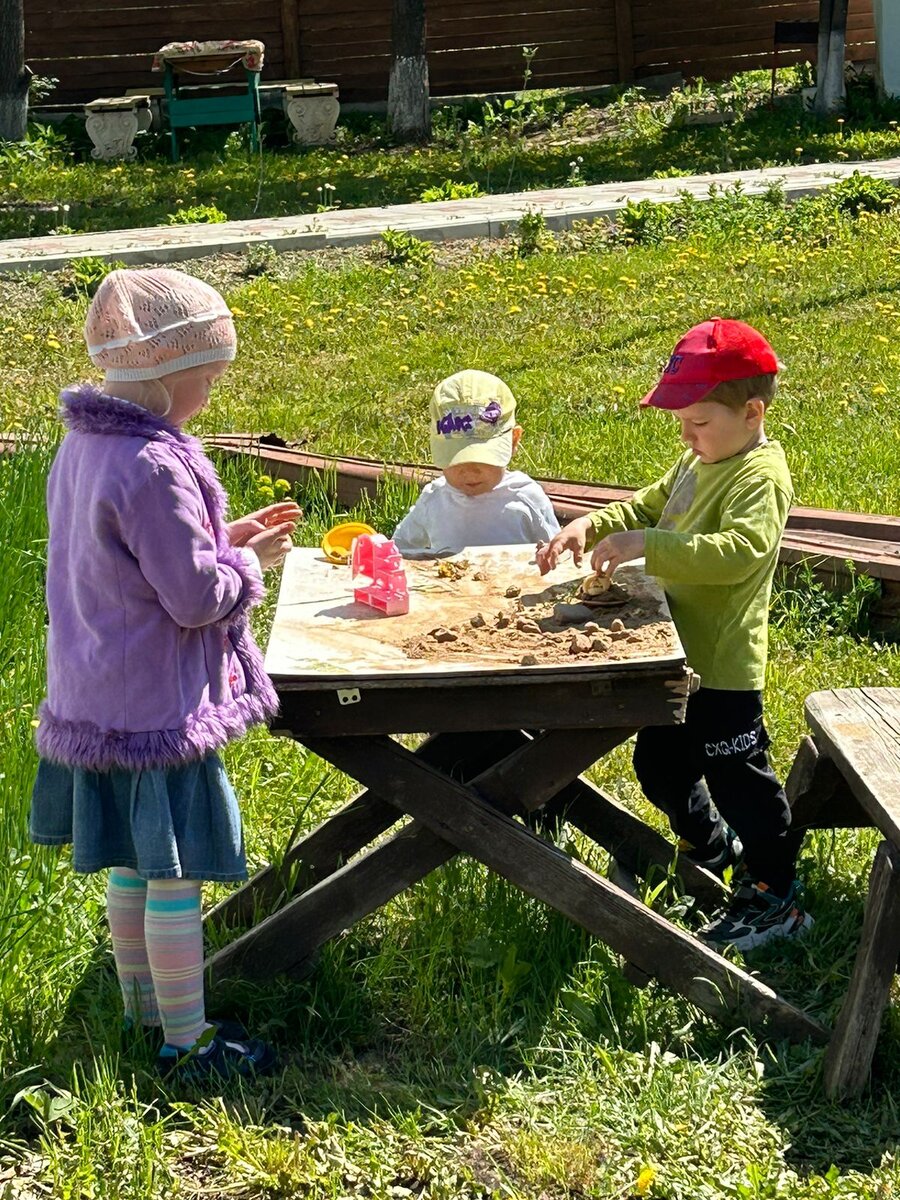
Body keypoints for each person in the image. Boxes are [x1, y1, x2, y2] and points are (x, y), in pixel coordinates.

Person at [29, 268, 300, 1081]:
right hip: (158, 705)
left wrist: (224, 531)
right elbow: (191, 598)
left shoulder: (83, 446)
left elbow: (132, 561)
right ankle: (189, 1043)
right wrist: (246, 562)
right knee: (175, 876)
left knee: (132, 868)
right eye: (210, 378)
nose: (211, 394)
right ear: (168, 375)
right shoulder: (153, 462)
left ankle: (139, 1015)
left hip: (94, 696)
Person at [536, 318, 812, 952]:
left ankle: (776, 894)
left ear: (751, 412)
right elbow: (646, 505)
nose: (687, 436)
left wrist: (649, 547)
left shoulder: (760, 476)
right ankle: (709, 847)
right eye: (682, 425)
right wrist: (591, 524)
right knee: (659, 763)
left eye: (699, 423)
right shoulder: (700, 457)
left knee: (739, 776)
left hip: (720, 661)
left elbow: (741, 551)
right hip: (673, 653)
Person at [393, 369, 559, 553]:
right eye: (455, 460)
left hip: (516, 581)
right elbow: (399, 548)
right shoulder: (434, 499)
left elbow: (557, 553)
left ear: (513, 441)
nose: (470, 472)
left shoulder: (525, 498)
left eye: (483, 459)